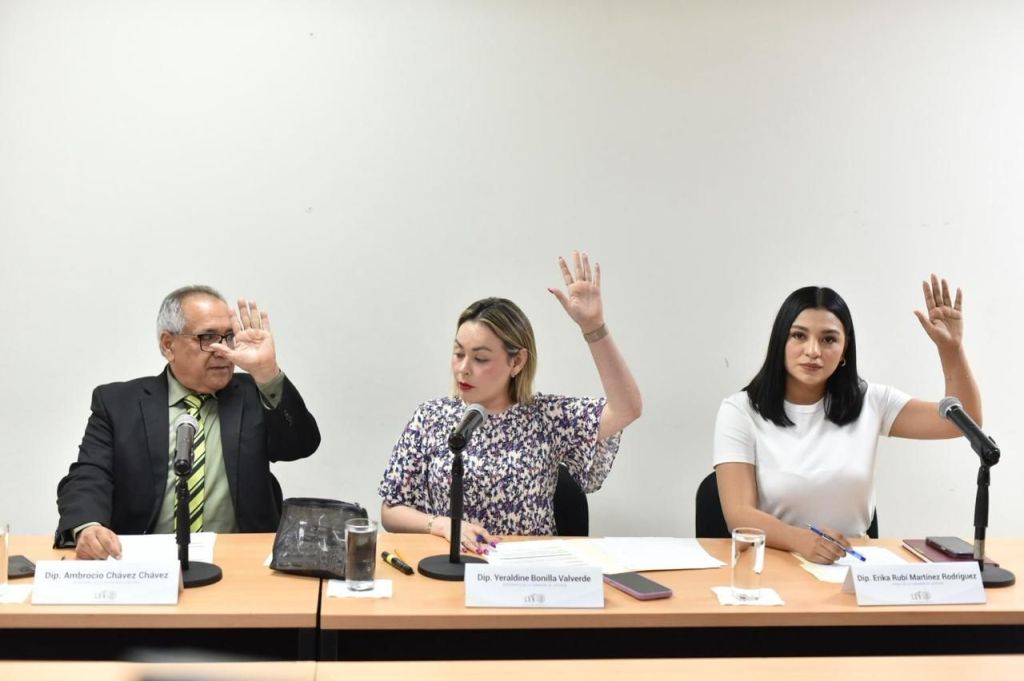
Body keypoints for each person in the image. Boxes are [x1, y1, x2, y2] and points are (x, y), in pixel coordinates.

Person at [379, 252, 642, 553]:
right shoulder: (431, 417)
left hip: (526, 569)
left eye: (480, 358)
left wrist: (594, 328)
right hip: (450, 566)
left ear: (516, 362)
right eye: (458, 353)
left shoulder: (547, 417)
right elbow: (391, 509)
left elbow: (627, 409)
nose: (464, 368)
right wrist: (439, 525)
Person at [713, 275, 982, 564]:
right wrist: (800, 540)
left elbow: (962, 421)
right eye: (799, 336)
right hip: (775, 561)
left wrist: (951, 349)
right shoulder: (740, 410)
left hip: (851, 563)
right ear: (780, 341)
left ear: (844, 348)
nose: (813, 351)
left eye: (828, 339)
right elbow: (739, 514)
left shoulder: (871, 401)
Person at [55, 285, 321, 559]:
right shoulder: (118, 403)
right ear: (168, 345)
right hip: (146, 559)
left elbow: (301, 445)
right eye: (208, 337)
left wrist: (267, 373)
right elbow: (89, 474)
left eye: (229, 337)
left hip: (240, 558)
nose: (222, 350)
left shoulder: (256, 393)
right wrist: (88, 526)